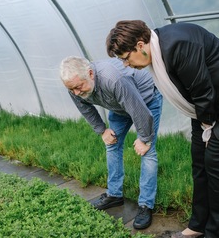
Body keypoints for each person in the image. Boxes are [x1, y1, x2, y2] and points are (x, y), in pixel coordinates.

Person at [106, 20, 219, 238]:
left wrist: (208, 126)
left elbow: (202, 89)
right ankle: (198, 225)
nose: (126, 64)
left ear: (140, 45)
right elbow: (198, 92)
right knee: (199, 161)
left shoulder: (177, 44)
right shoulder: (157, 49)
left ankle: (216, 233)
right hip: (206, 104)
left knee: (216, 163)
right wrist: (204, 123)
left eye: (126, 58)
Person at [59, 56, 163, 229]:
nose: (76, 93)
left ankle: (146, 205)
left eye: (78, 87)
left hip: (146, 101)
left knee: (148, 151)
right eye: (71, 89)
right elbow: (85, 108)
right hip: (119, 107)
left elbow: (138, 109)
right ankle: (115, 195)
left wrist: (144, 139)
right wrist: (102, 130)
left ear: (91, 74)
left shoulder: (113, 79)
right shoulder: (75, 86)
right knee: (112, 144)